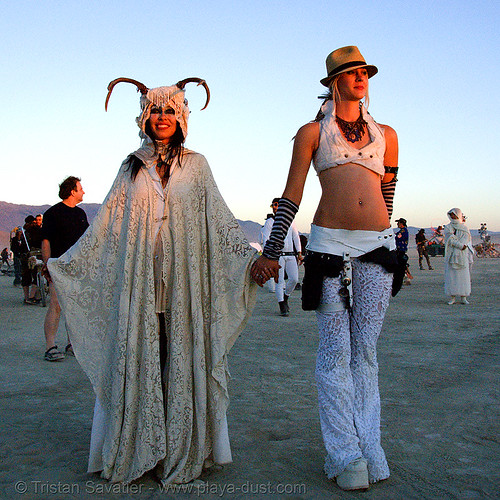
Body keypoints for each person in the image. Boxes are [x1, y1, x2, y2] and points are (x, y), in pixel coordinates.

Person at [47, 77, 258, 485]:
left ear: (180, 117)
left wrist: (249, 259)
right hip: (140, 286)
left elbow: (220, 220)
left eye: (169, 111)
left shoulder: (197, 166)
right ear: (145, 117)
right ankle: (141, 448)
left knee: (179, 360)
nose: (162, 118)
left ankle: (178, 449)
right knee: (143, 361)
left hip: (185, 285)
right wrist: (65, 264)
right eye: (155, 111)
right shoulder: (132, 166)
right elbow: (107, 225)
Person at [252, 46, 399, 490]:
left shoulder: (387, 133)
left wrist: (392, 243)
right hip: (328, 247)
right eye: (352, 72)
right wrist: (273, 250)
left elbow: (388, 193)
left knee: (366, 354)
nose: (360, 77)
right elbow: (291, 193)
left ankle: (370, 447)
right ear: (334, 81)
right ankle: (345, 453)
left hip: (376, 248)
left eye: (364, 72)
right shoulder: (312, 132)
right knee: (335, 352)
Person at [41, 176, 89, 361]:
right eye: (80, 188)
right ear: (72, 191)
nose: (83, 191)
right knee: (56, 305)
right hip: (58, 266)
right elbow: (46, 241)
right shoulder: (53, 213)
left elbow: (86, 242)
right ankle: (50, 347)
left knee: (74, 307)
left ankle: (72, 344)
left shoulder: (81, 214)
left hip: (76, 268)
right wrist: (48, 266)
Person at [261, 197, 302, 315]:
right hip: (278, 256)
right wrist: (268, 256)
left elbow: (295, 236)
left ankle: (286, 297)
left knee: (294, 279)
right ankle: (282, 306)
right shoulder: (270, 222)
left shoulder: (290, 220)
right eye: (273, 205)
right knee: (279, 281)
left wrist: (299, 252)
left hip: (290, 255)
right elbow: (266, 238)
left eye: (276, 204)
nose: (274, 207)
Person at [444, 208, 474, 304]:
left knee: (463, 276)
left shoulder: (464, 228)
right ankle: (452, 297)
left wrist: (461, 244)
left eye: (454, 214)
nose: (452, 216)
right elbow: (450, 239)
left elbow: (466, 238)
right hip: (452, 254)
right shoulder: (448, 227)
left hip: (462, 255)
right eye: (451, 215)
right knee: (452, 276)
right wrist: (460, 245)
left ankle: (463, 297)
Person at [395, 217, 412, 284]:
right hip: (400, 249)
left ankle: (404, 278)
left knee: (400, 264)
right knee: (401, 264)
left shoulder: (403, 231)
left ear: (402, 224)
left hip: (400, 249)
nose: (397, 224)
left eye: (398, 223)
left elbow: (396, 238)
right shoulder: (403, 231)